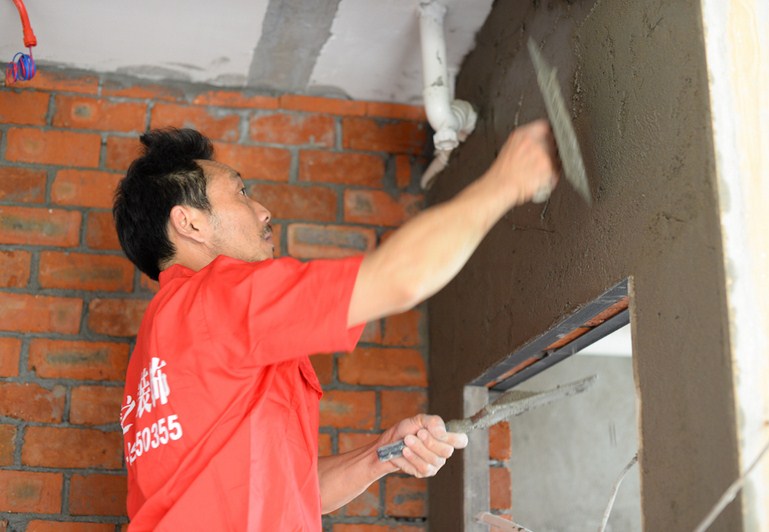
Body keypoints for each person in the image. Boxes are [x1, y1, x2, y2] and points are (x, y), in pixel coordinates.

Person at [113, 119, 559, 530]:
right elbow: (401, 278)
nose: (263, 210)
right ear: (189, 222)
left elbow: (294, 490)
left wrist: (382, 454)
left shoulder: (159, 345)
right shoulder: (220, 297)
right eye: (242, 192)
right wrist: (507, 182)